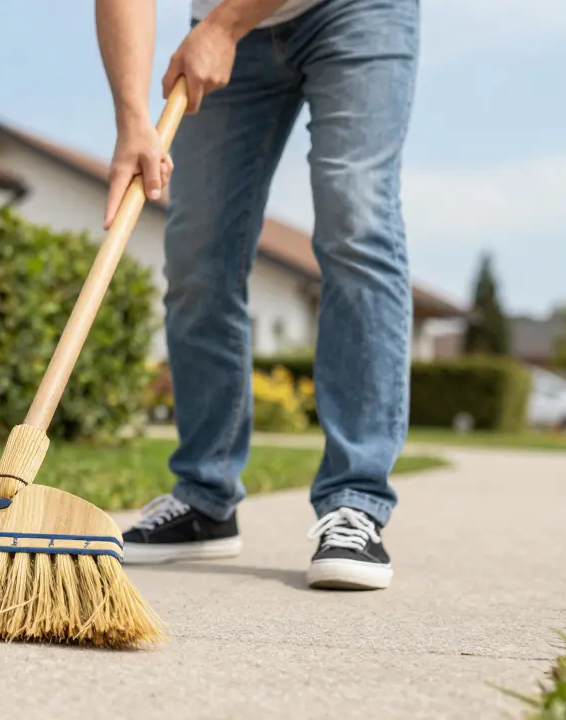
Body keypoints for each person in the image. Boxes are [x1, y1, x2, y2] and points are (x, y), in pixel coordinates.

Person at [96, 0, 418, 590]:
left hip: (356, 12)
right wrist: (131, 123)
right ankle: (205, 499)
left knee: (356, 215)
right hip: (222, 28)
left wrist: (224, 26)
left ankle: (356, 501)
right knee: (197, 249)